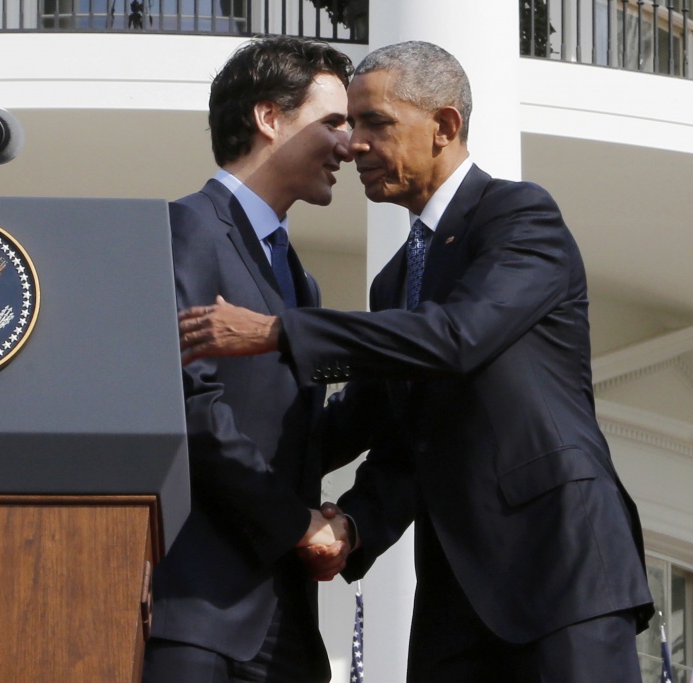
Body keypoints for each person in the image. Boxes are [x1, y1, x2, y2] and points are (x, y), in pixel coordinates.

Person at [178, 40, 655, 682]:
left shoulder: (519, 217)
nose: (355, 145)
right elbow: (398, 437)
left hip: (560, 573)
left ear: (445, 126)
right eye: (348, 123)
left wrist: (278, 331)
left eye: (375, 122)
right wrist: (347, 526)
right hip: (453, 599)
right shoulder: (395, 280)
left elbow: (457, 337)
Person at [142, 36, 355, 683]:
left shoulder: (300, 278)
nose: (350, 144)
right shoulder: (185, 229)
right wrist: (297, 524)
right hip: (199, 616)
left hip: (285, 622)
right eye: (334, 122)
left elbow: (299, 438)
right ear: (269, 118)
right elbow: (191, 407)